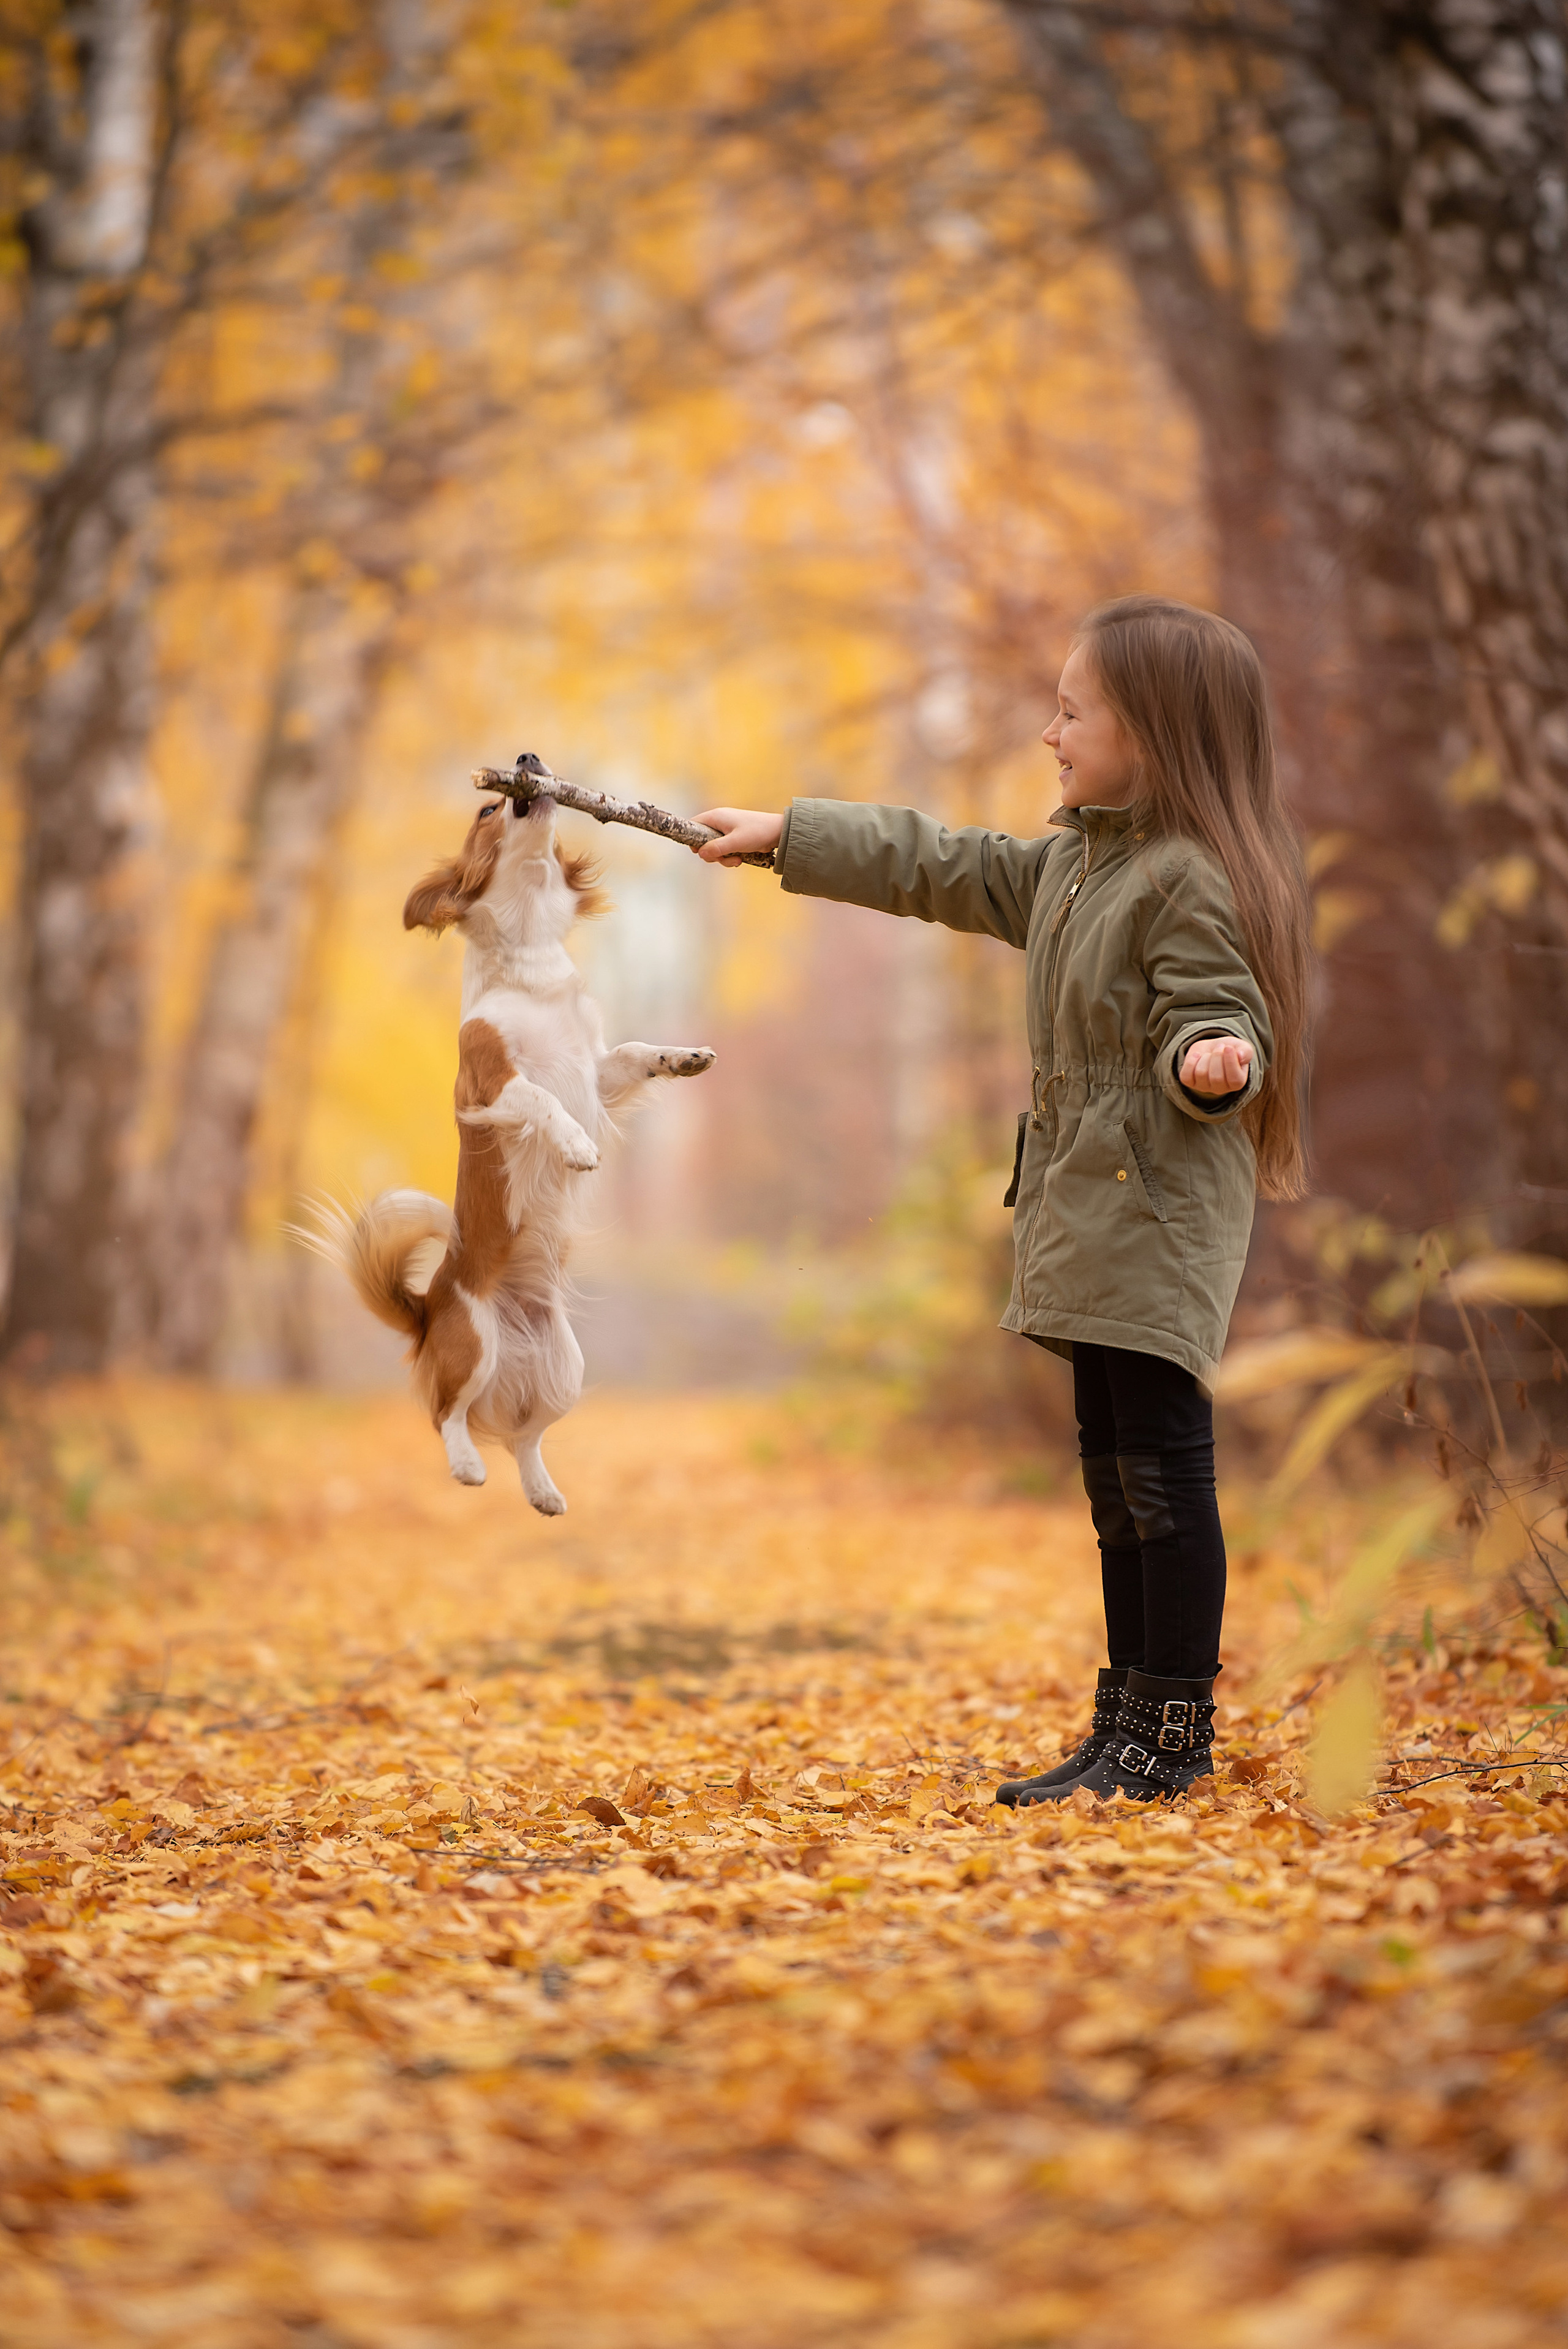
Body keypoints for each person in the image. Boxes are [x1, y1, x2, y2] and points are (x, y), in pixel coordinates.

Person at [692, 593, 1313, 1804]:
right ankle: (1125, 1722)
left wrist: (1216, 1056)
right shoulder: (1077, 865)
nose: (1049, 733)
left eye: (1072, 711)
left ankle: (1169, 1735)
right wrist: (787, 835)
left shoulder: (1182, 879)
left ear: (1156, 734)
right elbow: (943, 863)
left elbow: (1218, 1007)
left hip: (1154, 1219)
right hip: (1094, 1220)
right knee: (1114, 1485)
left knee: (1157, 1478)